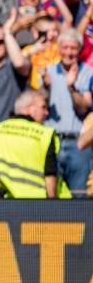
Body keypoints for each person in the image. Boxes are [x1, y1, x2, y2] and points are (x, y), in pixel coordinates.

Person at [0, 90, 70, 199]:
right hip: (39, 204)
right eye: (43, 107)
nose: (47, 112)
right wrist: (53, 207)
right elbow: (50, 175)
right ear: (30, 108)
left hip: (8, 203)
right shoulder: (44, 134)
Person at [42, 29, 93, 197]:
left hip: (77, 143)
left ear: (79, 49)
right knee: (52, 194)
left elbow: (84, 107)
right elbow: (38, 105)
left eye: (73, 48)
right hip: (52, 140)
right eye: (65, 47)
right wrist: (45, 87)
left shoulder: (87, 72)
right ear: (59, 48)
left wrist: (71, 87)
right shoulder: (48, 71)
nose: (68, 52)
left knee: (78, 194)